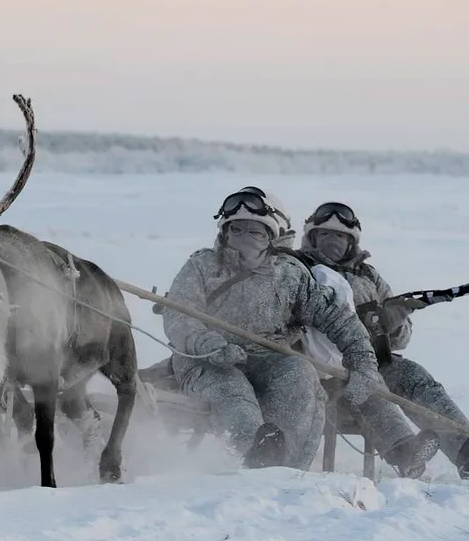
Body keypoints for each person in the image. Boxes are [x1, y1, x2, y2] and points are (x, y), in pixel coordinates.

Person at [160, 186, 439, 476]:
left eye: (255, 232)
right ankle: (251, 456)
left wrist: (363, 362)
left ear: (270, 236)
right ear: (224, 232)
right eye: (237, 229)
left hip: (269, 357)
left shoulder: (290, 274)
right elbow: (179, 315)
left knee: (299, 372)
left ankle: (287, 471)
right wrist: (209, 344)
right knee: (232, 388)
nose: (245, 237)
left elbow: (338, 319)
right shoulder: (200, 266)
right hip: (206, 360)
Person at [298, 201, 469, 478]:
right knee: (367, 385)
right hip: (324, 369)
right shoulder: (299, 269)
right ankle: (406, 454)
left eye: (340, 235)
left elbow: (400, 341)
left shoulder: (368, 275)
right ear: (312, 237)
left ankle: (465, 450)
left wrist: (394, 322)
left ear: (351, 241)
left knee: (413, 375)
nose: (332, 241)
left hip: (375, 360)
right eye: (324, 234)